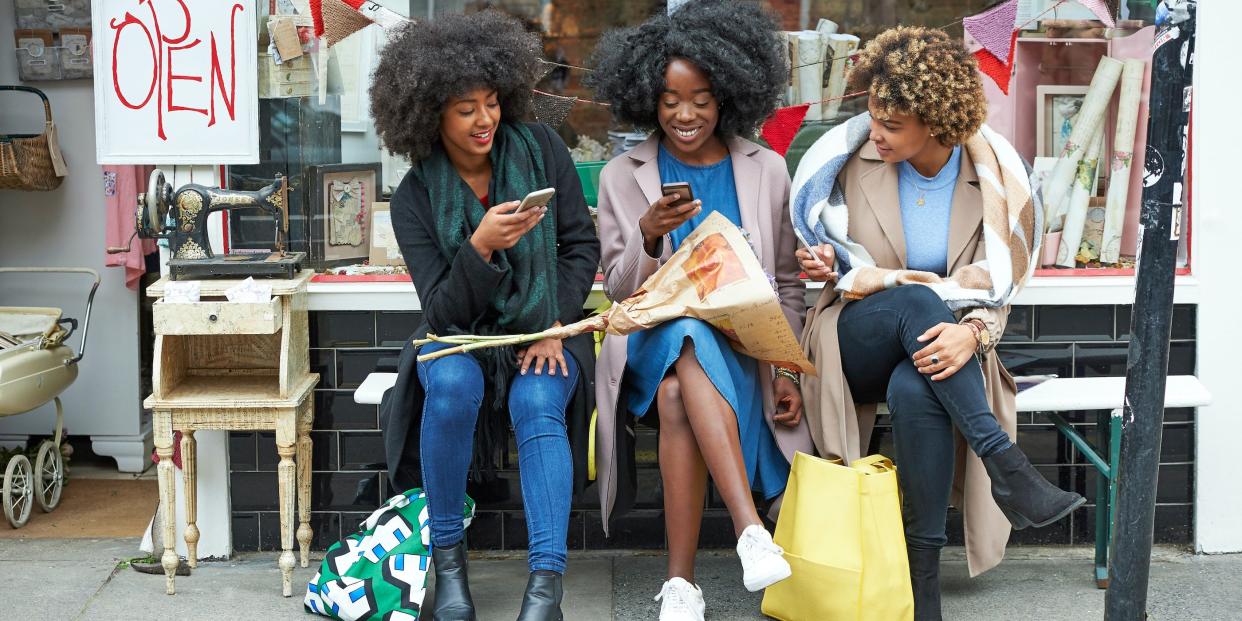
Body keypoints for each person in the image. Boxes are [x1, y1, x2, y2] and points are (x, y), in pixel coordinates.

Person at [789, 26, 1085, 620]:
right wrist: (822, 264)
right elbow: (834, 259)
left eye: (892, 124)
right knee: (917, 300)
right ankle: (1009, 465)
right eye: (874, 116)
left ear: (937, 120)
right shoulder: (846, 163)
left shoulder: (995, 179)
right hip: (852, 337)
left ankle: (924, 588)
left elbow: (998, 289)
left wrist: (971, 333)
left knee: (915, 381)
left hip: (938, 352)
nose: (876, 132)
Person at [587, 2, 815, 619]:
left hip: (742, 353)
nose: (685, 114)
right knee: (685, 329)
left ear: (729, 98)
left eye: (702, 99)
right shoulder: (620, 175)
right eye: (669, 100)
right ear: (647, 101)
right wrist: (650, 234)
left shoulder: (766, 169)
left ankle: (681, 585)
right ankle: (748, 529)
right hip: (651, 342)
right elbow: (621, 292)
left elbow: (789, 285)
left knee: (675, 400)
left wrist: (787, 369)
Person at [371, 11, 600, 621]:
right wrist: (481, 247)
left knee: (537, 400)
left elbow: (580, 246)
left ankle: (545, 588)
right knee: (446, 384)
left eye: (492, 101)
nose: (485, 119)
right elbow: (442, 311)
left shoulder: (543, 149)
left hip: (547, 325)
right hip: (459, 333)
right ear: (429, 114)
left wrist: (552, 322)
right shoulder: (415, 197)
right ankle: (449, 570)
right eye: (465, 107)